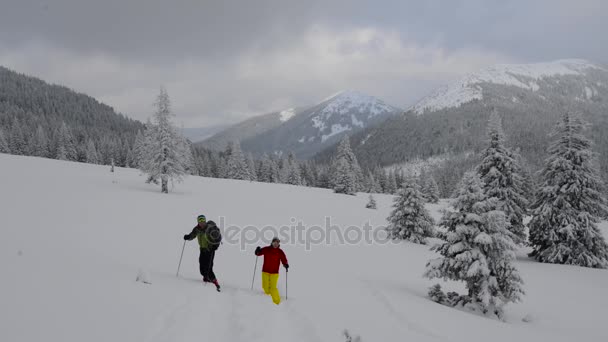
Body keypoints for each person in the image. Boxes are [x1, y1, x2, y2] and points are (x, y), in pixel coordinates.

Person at [184, 214, 222, 291]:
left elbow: (218, 238)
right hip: (202, 249)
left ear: (205, 221)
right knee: (202, 267)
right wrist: (188, 237)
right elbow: (193, 235)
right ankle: (206, 278)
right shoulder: (197, 229)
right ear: (198, 222)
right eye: (200, 221)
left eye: (203, 221)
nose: (202, 222)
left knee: (209, 267)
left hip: (210, 250)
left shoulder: (210, 229)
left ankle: (216, 283)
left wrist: (215, 246)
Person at [255, 237, 289, 304]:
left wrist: (285, 264)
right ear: (272, 242)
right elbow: (258, 253)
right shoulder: (266, 249)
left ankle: (277, 302)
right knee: (265, 287)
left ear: (279, 244)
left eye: (277, 242)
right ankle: (269, 298)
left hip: (274, 273)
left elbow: (284, 259)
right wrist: (257, 251)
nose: (276, 244)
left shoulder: (280, 252)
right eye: (275, 242)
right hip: (265, 271)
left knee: (273, 288)